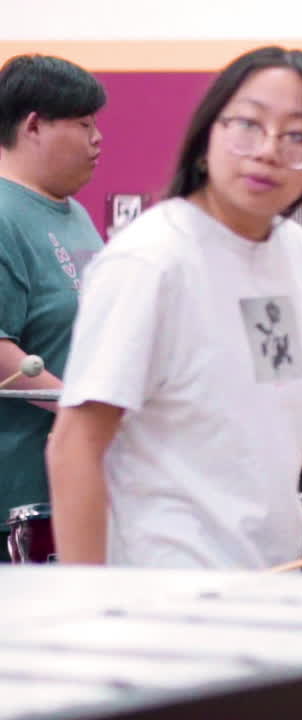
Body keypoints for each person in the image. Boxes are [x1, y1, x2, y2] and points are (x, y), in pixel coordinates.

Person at [46, 46, 302, 568]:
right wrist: (91, 602)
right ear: (208, 133)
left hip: (270, 575)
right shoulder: (151, 260)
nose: (268, 151)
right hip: (160, 591)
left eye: (298, 136)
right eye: (248, 125)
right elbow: (74, 446)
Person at [0, 54, 106, 561]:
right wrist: (90, 411)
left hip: (80, 478)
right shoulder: (2, 213)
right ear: (34, 125)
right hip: (18, 491)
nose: (97, 137)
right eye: (83, 123)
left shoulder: (77, 214)